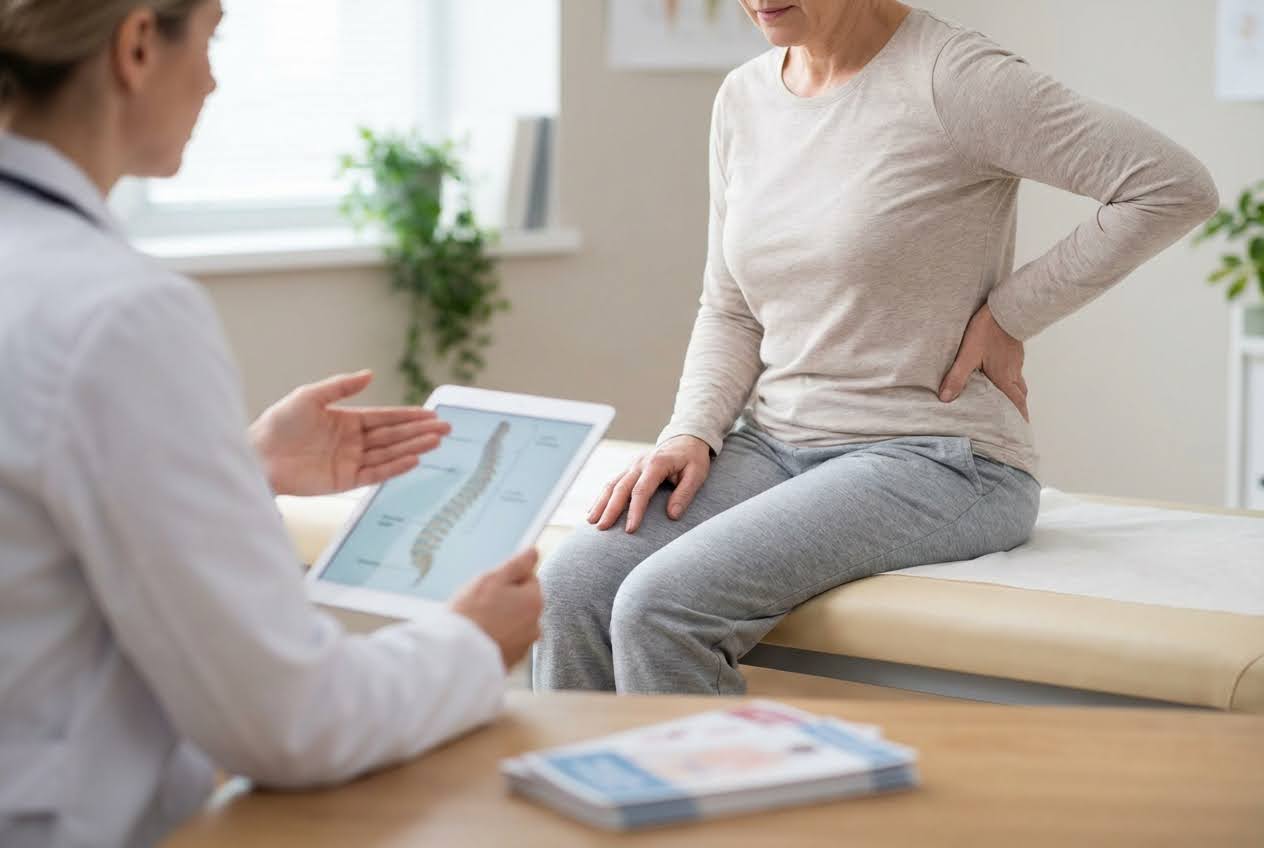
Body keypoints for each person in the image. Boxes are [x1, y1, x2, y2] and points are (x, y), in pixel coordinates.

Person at [535, 0, 1218, 695]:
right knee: (570, 584)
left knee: (662, 606)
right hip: (774, 444)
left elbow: (1170, 185)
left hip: (939, 456)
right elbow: (730, 305)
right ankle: (590, 793)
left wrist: (1010, 314)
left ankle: (696, 798)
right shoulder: (743, 97)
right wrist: (692, 431)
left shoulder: (952, 78)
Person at [0, 2, 542, 845]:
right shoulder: (122, 316)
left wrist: (239, 468)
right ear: (138, 44)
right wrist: (471, 643)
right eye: (211, 37)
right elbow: (291, 721)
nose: (214, 79)